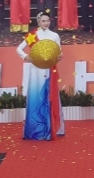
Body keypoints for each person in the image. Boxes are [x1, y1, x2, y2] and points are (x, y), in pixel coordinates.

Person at [16, 11, 64, 140]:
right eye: (43, 21)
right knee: (36, 95)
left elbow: (59, 51)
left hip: (49, 70)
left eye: (47, 20)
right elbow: (19, 48)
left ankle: (50, 128)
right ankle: (35, 129)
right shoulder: (32, 35)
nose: (46, 23)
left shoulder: (54, 35)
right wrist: (25, 56)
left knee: (49, 96)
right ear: (38, 22)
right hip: (36, 70)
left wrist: (59, 56)